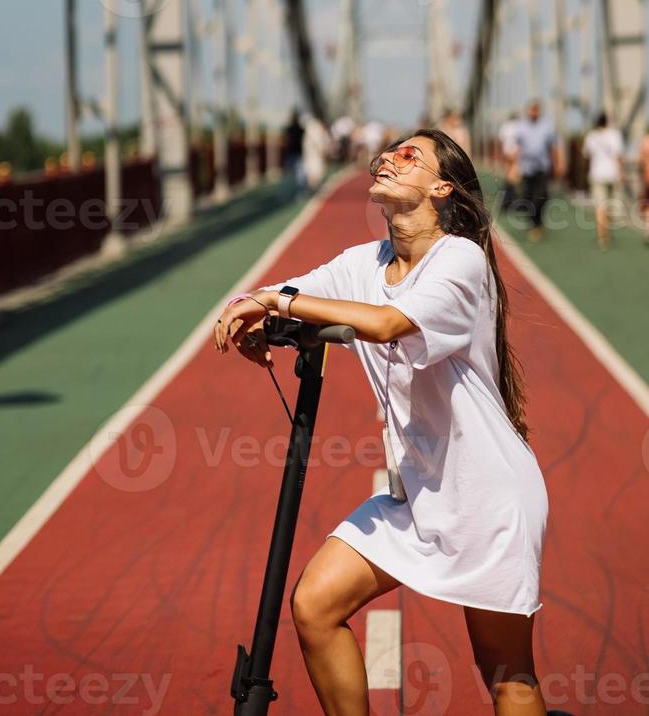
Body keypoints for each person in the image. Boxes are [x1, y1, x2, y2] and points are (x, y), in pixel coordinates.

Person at [215, 129, 550, 715]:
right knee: (314, 605)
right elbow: (294, 289)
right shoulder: (363, 264)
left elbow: (391, 323)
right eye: (390, 150)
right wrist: (252, 305)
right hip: (417, 496)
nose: (390, 158)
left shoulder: (460, 259)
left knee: (506, 677)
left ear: (442, 187)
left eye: (410, 155)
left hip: (488, 498)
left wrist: (280, 305)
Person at [514, 100, 563, 243]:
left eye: (536, 110)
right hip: (527, 168)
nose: (533, 113)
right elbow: (518, 148)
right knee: (529, 197)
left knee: (540, 197)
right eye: (531, 110)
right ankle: (535, 222)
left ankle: (536, 225)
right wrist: (514, 167)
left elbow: (553, 146)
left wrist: (558, 163)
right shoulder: (522, 127)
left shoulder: (546, 126)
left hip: (542, 167)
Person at [582, 113, 624, 251]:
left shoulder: (591, 136)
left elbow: (586, 156)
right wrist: (620, 174)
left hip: (597, 174)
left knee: (601, 206)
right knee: (609, 206)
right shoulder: (614, 135)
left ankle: (602, 236)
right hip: (612, 175)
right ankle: (605, 234)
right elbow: (618, 156)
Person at [498, 111, 522, 210]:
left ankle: (508, 200)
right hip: (515, 154)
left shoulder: (505, 126)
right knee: (512, 178)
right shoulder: (519, 126)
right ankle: (509, 201)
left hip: (508, 154)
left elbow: (502, 140)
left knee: (509, 177)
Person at [283, 108, 306, 196]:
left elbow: (286, 138)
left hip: (293, 153)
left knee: (293, 173)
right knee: (299, 173)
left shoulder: (291, 129)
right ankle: (300, 191)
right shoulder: (300, 129)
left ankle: (295, 191)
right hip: (297, 153)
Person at [639, 126, 649, 246]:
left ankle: (648, 227)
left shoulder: (646, 141)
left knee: (647, 204)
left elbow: (640, 159)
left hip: (648, 177)